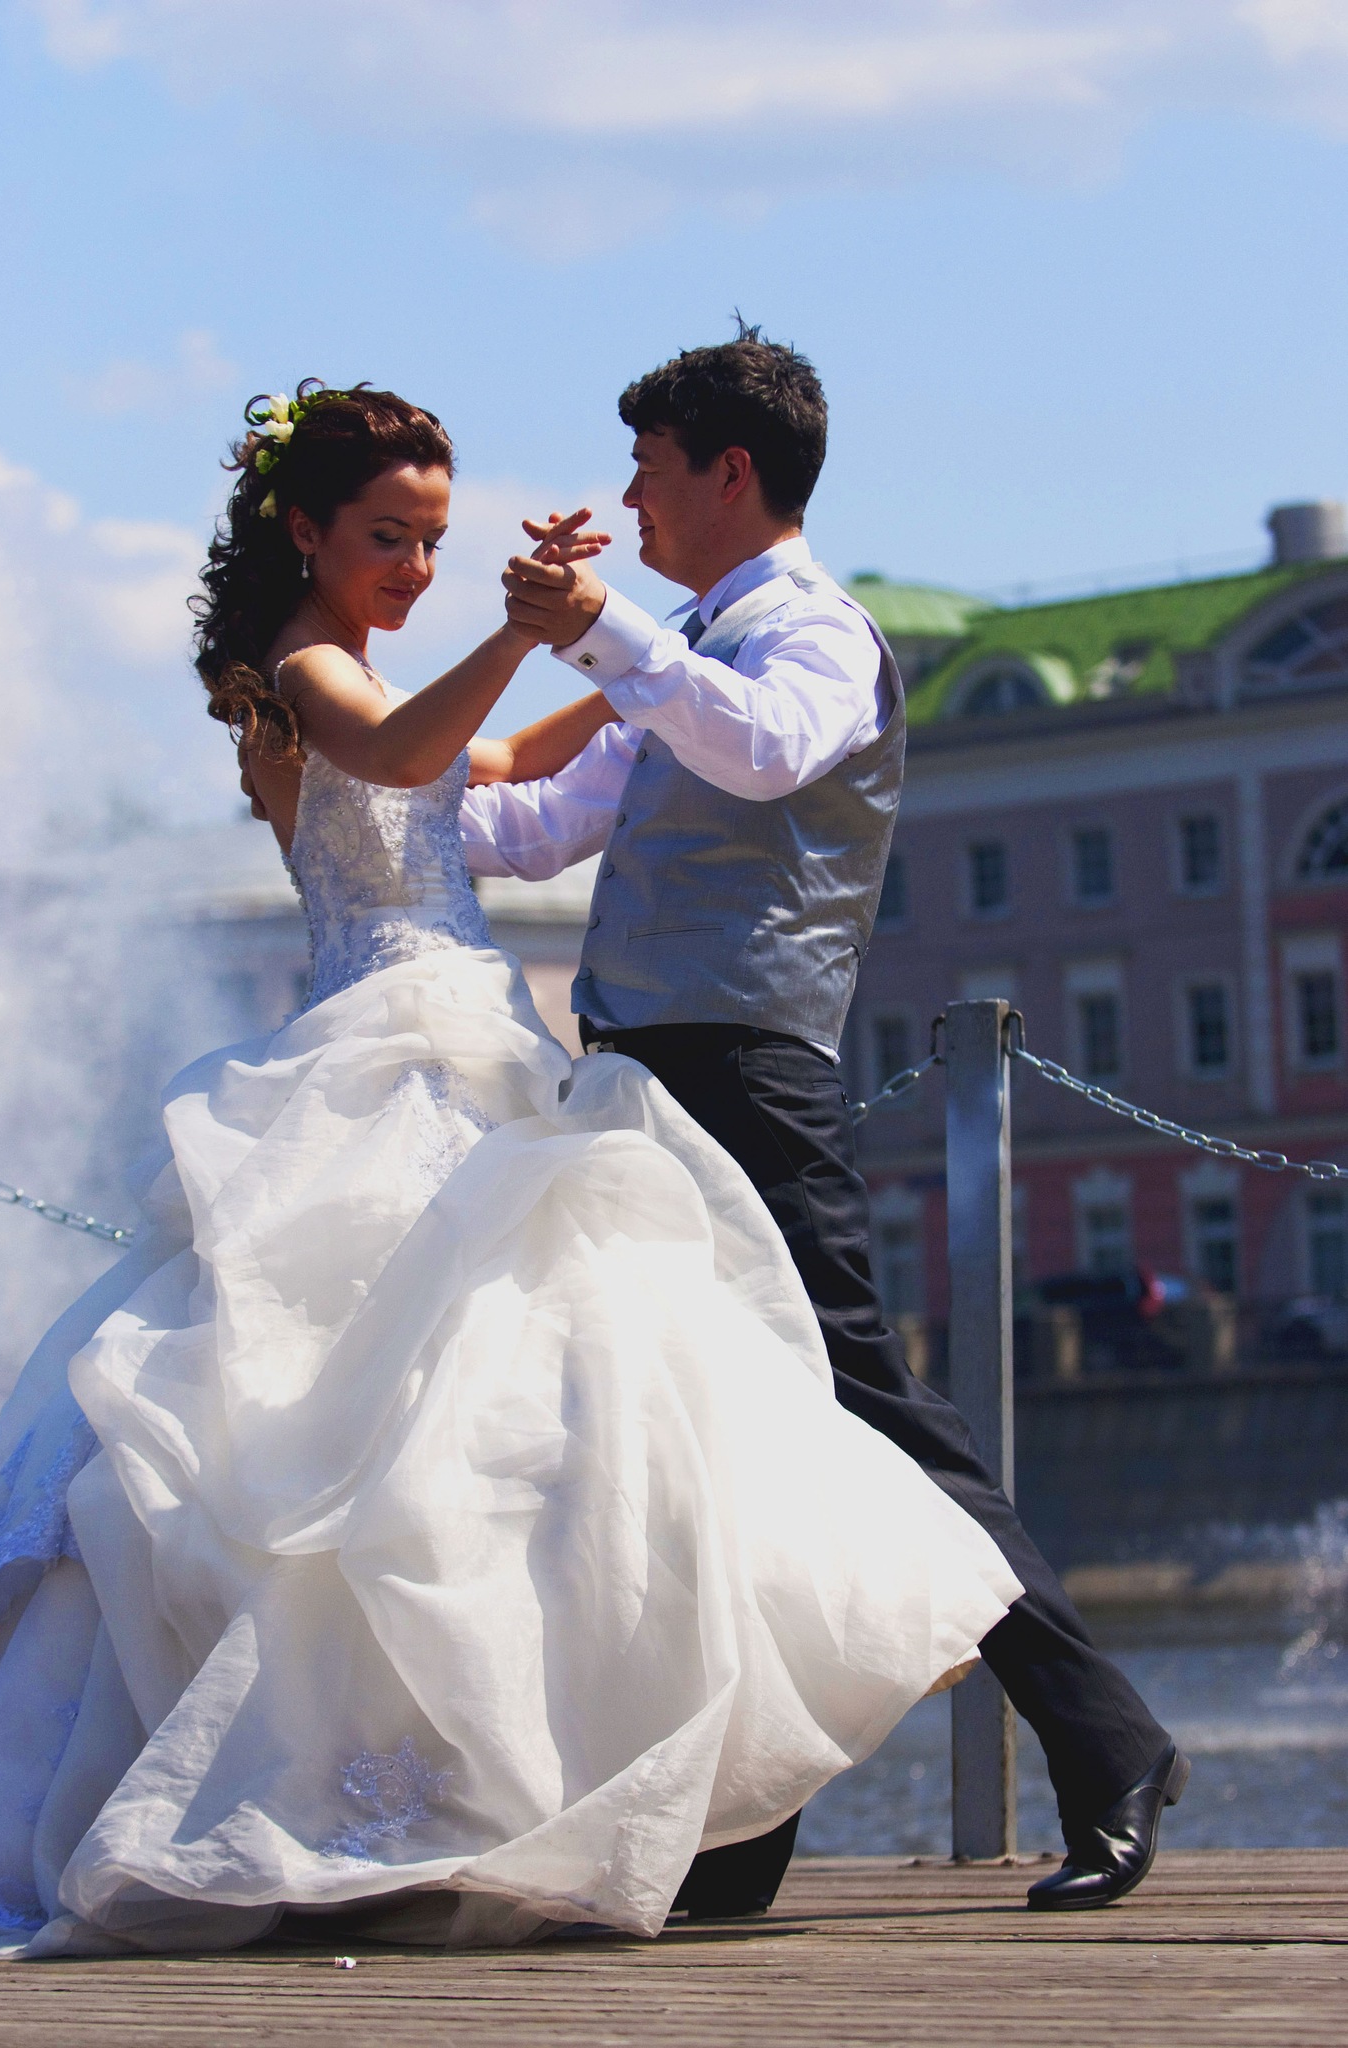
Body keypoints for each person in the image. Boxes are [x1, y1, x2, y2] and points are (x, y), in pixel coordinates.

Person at [0, 382, 1021, 1958]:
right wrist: (539, 633)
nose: (414, 566)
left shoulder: (369, 666)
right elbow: (408, 754)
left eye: (433, 541)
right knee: (358, 1416)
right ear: (304, 531)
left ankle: (480, 1770)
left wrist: (621, 649)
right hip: (382, 1051)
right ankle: (339, 1783)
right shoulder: (302, 672)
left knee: (504, 1410)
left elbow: (506, 760)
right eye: (388, 537)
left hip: (474, 1040)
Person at [475, 328, 1190, 1916]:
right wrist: (356, 800)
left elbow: (763, 753)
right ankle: (740, 1835)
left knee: (874, 1412)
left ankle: (1110, 1743)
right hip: (641, 1079)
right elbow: (542, 826)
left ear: (731, 472)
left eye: (650, 472)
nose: (628, 503)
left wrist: (605, 632)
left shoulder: (812, 635)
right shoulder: (689, 644)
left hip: (746, 1073)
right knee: (692, 1439)